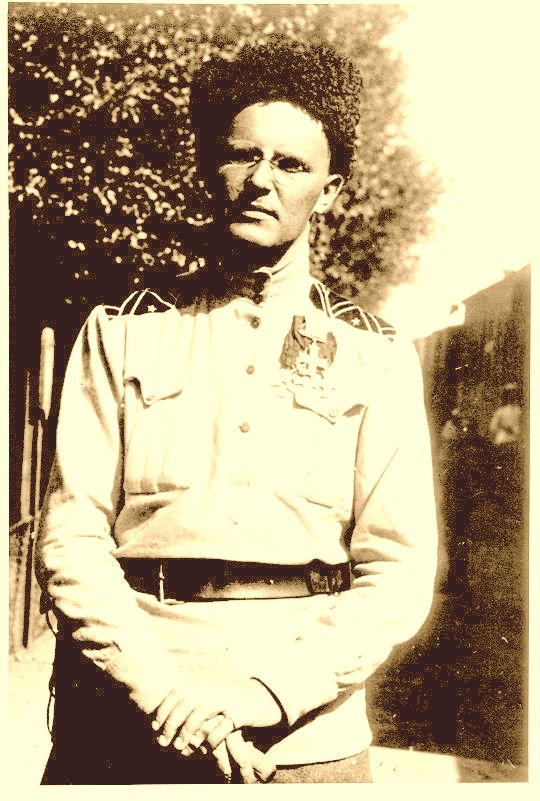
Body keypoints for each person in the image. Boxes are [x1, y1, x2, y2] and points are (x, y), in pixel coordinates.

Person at [36, 37, 438, 784]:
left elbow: (398, 570)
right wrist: (166, 693)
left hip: (301, 741)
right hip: (123, 721)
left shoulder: (375, 357)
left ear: (331, 189)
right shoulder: (122, 332)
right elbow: (71, 539)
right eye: (241, 156)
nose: (261, 181)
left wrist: (264, 695)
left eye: (291, 165)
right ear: (207, 167)